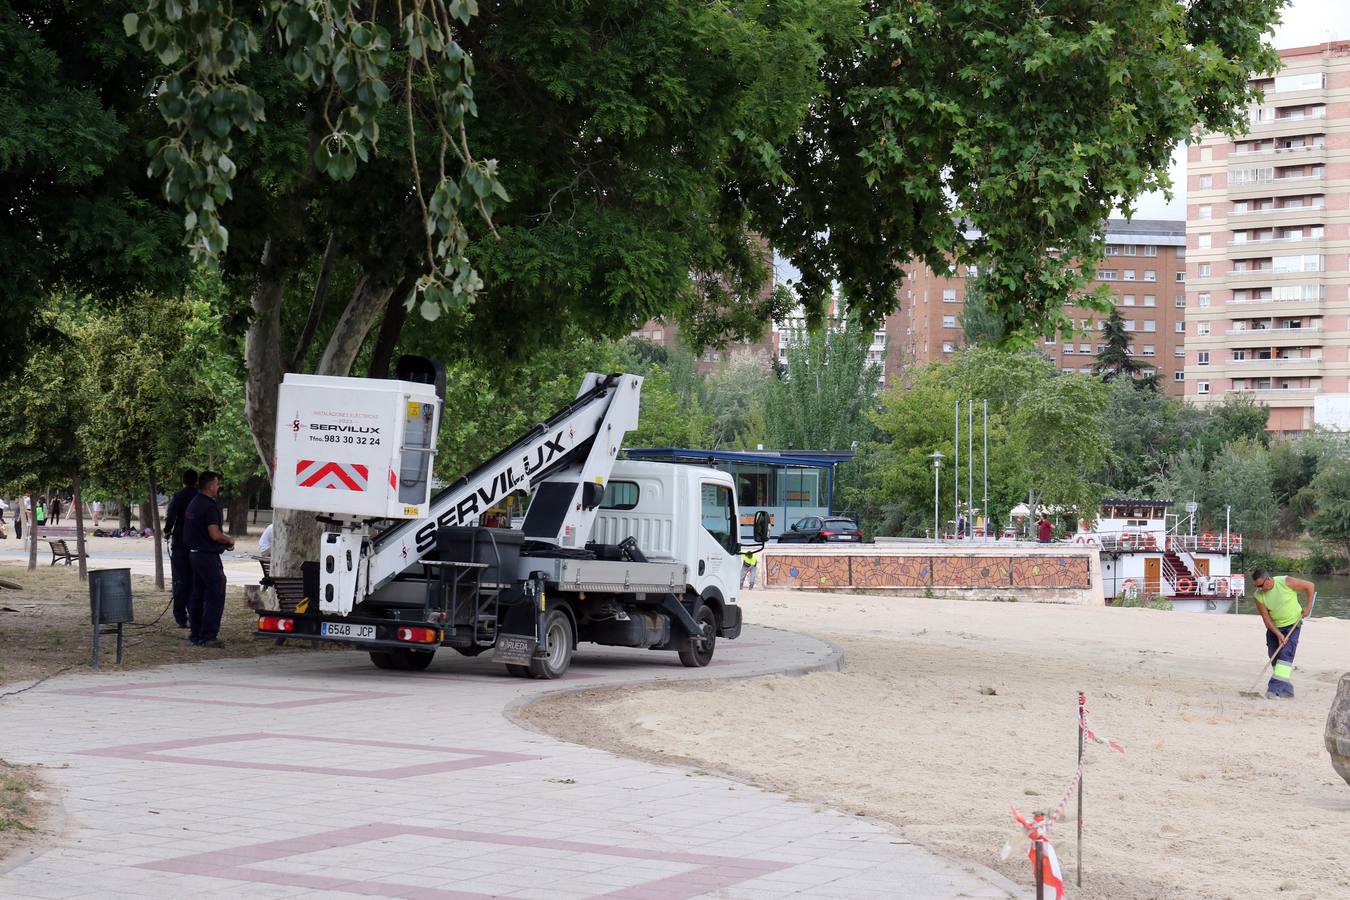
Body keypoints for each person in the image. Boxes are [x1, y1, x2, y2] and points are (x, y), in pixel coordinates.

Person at [183, 471, 234, 648]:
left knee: (197, 594)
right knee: (216, 594)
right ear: (211, 485)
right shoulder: (210, 507)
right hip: (207, 557)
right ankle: (208, 635)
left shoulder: (194, 503)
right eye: (217, 484)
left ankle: (196, 634)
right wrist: (228, 540)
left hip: (193, 555)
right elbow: (214, 534)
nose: (218, 487)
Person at [1250, 569, 1316, 699]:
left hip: (1292, 625)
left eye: (1261, 585)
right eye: (1256, 586)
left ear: (1268, 579)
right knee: (1274, 657)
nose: (1259, 589)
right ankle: (1287, 691)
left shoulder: (1285, 582)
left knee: (1285, 656)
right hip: (1274, 628)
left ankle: (1273, 689)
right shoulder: (1258, 595)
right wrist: (1278, 634)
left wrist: (1308, 607)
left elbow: (1310, 586)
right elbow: (1266, 617)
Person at [163, 468, 199, 629]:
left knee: (179, 580)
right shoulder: (200, 497)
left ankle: (180, 617)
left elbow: (171, 516)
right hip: (196, 545)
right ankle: (194, 614)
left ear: (183, 481)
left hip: (180, 543)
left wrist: (167, 531)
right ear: (196, 481)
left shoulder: (179, 496)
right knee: (194, 581)